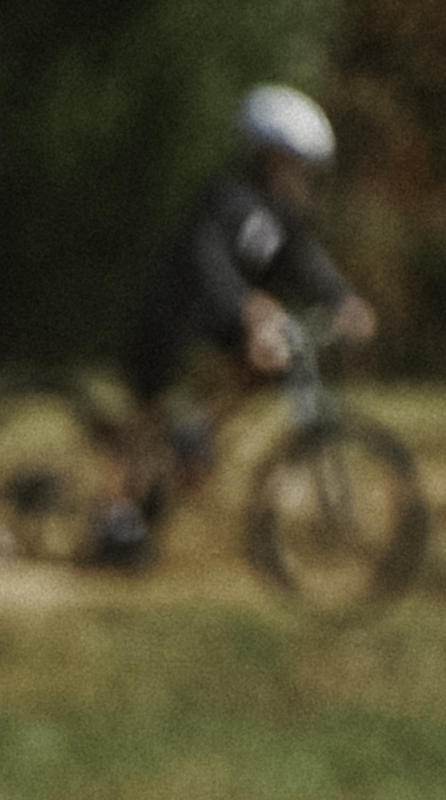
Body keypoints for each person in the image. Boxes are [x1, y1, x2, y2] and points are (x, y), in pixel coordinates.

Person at [89, 83, 374, 565]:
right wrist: (249, 307)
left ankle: (195, 437)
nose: (303, 177)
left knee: (271, 359)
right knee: (150, 413)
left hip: (211, 320)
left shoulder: (280, 217)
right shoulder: (228, 200)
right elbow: (208, 259)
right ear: (269, 158)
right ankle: (118, 517)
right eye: (296, 163)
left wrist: (344, 298)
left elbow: (303, 263)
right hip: (168, 317)